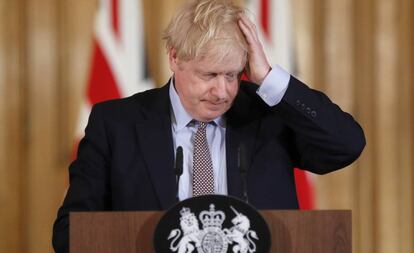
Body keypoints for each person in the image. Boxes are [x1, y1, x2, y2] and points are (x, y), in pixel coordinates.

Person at [52, 0, 365, 252]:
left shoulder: (269, 116)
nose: (223, 91)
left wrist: (269, 78)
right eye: (209, 75)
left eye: (232, 75)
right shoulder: (116, 124)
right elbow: (71, 233)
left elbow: (347, 145)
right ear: (175, 57)